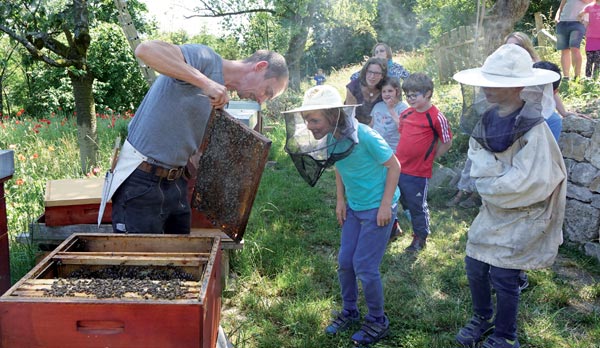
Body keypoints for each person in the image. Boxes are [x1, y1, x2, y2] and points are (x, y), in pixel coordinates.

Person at [104, 40, 288, 234]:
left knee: (179, 259)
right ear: (260, 67)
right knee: (140, 262)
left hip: (176, 183)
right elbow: (145, 50)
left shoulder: (221, 99)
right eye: (267, 91)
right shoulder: (205, 59)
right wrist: (206, 82)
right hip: (141, 180)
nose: (261, 100)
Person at [453, 44, 566, 348]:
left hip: (524, 213)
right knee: (475, 264)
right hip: (493, 210)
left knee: (504, 274)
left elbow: (529, 181)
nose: (487, 89)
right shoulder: (487, 119)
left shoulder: (535, 129)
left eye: (496, 83)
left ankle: (505, 335)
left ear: (518, 86)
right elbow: (476, 157)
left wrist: (490, 182)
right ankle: (482, 317)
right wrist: (492, 178)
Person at [283, 85, 400, 346]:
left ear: (334, 116)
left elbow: (394, 166)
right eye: (306, 120)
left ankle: (377, 320)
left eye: (314, 119)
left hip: (377, 208)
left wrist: (385, 206)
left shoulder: (366, 136)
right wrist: (340, 200)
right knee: (345, 262)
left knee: (365, 267)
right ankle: (349, 311)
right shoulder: (331, 139)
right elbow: (339, 166)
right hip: (355, 208)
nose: (310, 125)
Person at [395, 73, 453, 252]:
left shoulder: (436, 116)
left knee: (416, 206)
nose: (410, 99)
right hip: (397, 168)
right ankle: (392, 229)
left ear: (427, 93)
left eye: (414, 95)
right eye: (407, 95)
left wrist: (431, 157)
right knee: (394, 199)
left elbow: (447, 141)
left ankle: (420, 237)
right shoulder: (405, 114)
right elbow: (402, 135)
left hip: (417, 172)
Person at [555, 0, 593, 80]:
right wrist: (557, 17)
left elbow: (589, 1)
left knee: (574, 48)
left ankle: (577, 77)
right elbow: (561, 6)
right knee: (564, 50)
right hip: (563, 22)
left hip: (578, 22)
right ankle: (566, 77)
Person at [345, 57, 387, 125]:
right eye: (370, 72)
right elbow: (348, 115)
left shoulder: (386, 89)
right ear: (365, 72)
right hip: (355, 126)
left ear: (382, 75)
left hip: (379, 127)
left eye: (377, 73)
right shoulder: (353, 88)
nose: (372, 76)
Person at [578, 0, 600, 78]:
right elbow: (579, 15)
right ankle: (587, 78)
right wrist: (583, 22)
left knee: (598, 60)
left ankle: (595, 78)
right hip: (590, 37)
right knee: (589, 60)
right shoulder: (589, 7)